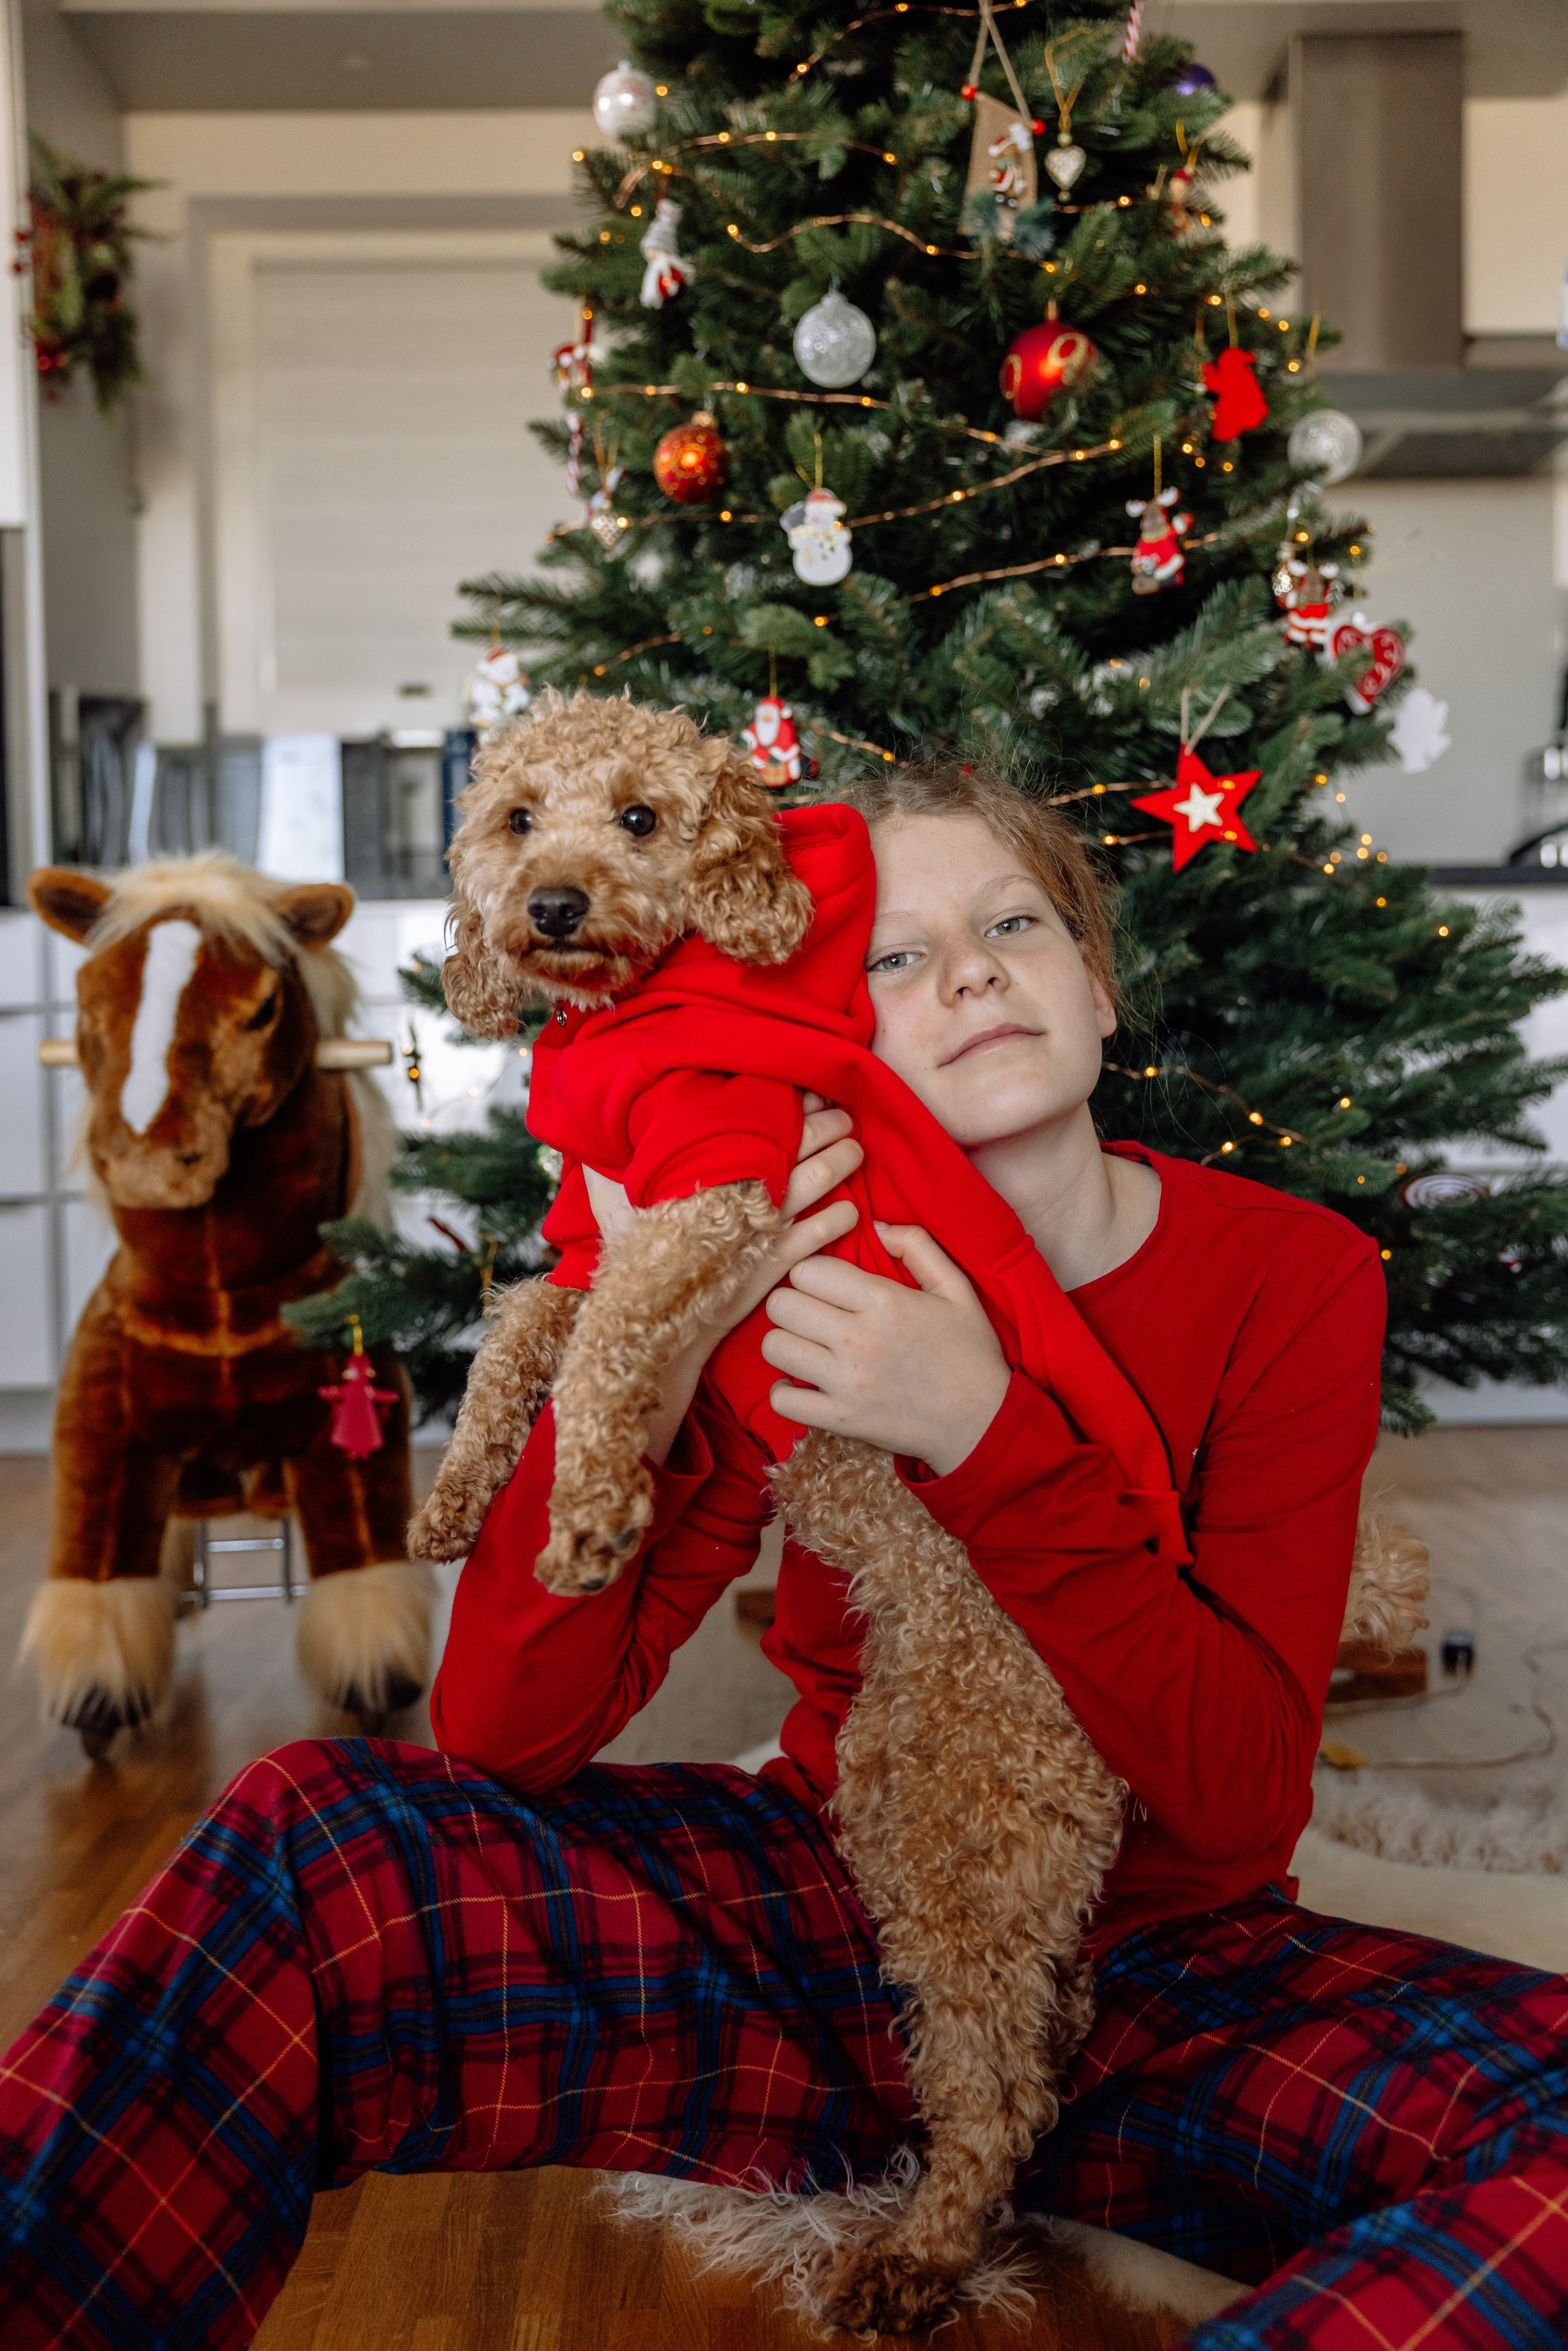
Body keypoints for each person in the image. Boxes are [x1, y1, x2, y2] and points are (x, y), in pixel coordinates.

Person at [3, 761, 1566, 2351]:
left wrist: (984, 1434)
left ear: (1098, 983)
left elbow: (1235, 1791)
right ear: (810, 1017)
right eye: (890, 955)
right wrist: (657, 1363)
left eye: (1014, 924)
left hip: (1171, 1976)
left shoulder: (1287, 1274)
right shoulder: (779, 1263)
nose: (964, 970)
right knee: (310, 1833)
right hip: (805, 1916)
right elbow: (503, 1729)